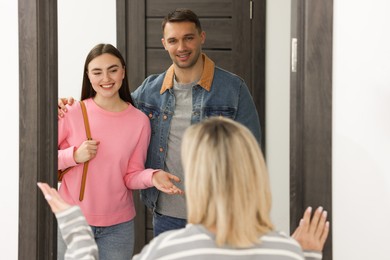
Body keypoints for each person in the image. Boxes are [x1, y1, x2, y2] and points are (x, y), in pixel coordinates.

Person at [58, 8, 262, 237]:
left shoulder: (233, 89)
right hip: (167, 215)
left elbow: (251, 154)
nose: (181, 47)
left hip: (219, 215)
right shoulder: (149, 91)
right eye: (173, 40)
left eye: (188, 38)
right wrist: (66, 105)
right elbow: (111, 107)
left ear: (201, 37)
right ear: (164, 43)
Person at [38, 117, 329, 260]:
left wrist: (75, 228)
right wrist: (308, 256)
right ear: (254, 172)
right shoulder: (287, 251)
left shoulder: (167, 251)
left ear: (197, 177)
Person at [57, 43, 182, 260]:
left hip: (118, 228)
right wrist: (74, 156)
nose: (106, 78)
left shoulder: (139, 121)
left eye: (113, 70)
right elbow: (41, 161)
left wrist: (153, 177)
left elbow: (131, 175)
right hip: (73, 222)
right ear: (88, 76)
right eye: (97, 72)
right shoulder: (71, 112)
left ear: (123, 71)